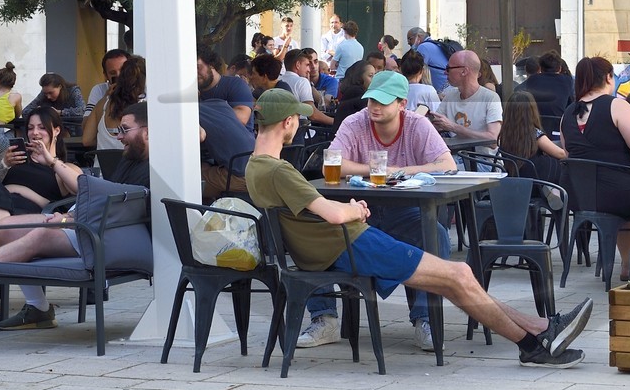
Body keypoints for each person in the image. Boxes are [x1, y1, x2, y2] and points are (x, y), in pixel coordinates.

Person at [245, 88, 593, 368]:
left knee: (457, 277)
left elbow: (315, 207)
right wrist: (352, 209)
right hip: (349, 247)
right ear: (289, 122)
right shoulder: (278, 170)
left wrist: (346, 208)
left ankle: (541, 331)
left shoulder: (256, 167)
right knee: (457, 275)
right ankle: (533, 342)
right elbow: (334, 216)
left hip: (335, 249)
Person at [0, 102, 151, 331]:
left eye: (124, 130)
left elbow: (105, 197)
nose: (119, 137)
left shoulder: (158, 167)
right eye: (30, 127)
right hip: (86, 223)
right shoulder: (130, 160)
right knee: (4, 227)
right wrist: (3, 163)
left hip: (104, 234)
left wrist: (66, 210)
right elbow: (106, 197)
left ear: (147, 132)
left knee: (34, 234)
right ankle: (37, 308)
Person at [300, 72, 460, 352]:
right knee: (311, 232)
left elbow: (447, 164)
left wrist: (399, 172)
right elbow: (331, 165)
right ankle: (323, 318)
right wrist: (376, 171)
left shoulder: (417, 125)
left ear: (402, 103)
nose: (374, 106)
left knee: (436, 235)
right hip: (360, 211)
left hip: (405, 211)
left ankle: (426, 319)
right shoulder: (355, 122)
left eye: (383, 101)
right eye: (372, 99)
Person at [0, 106, 82, 322]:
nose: (34, 133)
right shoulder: (16, 158)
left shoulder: (63, 166)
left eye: (42, 128)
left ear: (56, 131)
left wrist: (51, 162)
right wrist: (3, 163)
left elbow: (81, 189)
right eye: (31, 128)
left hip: (26, 216)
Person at [562, 56, 630, 275]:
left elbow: (568, 154)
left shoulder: (567, 114)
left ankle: (625, 264)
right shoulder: (618, 106)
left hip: (581, 197)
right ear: (609, 77)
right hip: (621, 193)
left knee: (628, 210)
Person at [434, 49, 503, 144]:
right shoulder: (450, 96)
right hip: (456, 155)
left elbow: (492, 139)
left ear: (464, 71)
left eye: (448, 68)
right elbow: (437, 125)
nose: (445, 72)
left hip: (481, 158)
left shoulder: (490, 98)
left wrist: (453, 127)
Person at [499, 89, 566, 182]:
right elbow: (561, 154)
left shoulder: (505, 133)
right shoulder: (533, 133)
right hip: (535, 179)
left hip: (516, 177)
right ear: (531, 111)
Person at [198, 97, 254, 201]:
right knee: (205, 166)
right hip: (256, 164)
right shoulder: (219, 103)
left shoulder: (190, 116)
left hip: (241, 177)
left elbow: (201, 136)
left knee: (192, 180)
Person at [82, 48, 129, 150]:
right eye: (113, 73)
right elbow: (86, 131)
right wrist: (106, 99)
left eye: (123, 71)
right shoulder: (99, 90)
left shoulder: (144, 94)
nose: (119, 76)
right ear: (105, 75)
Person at [197, 48, 254, 128]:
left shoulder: (235, 85)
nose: (195, 73)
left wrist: (197, 112)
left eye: (198, 67)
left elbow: (241, 118)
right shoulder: (195, 92)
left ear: (211, 64)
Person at [519, 51, 575, 126]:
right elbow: (571, 104)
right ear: (559, 68)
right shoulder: (567, 81)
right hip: (558, 126)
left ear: (541, 68)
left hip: (536, 126)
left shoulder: (532, 80)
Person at [21, 73, 87, 128]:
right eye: (45, 93)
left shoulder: (73, 91)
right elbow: (25, 112)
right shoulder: (43, 94)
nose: (48, 97)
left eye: (51, 93)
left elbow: (83, 110)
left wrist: (60, 112)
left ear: (60, 87)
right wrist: (39, 111)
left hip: (73, 129)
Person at [398, 49, 442, 115]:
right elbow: (438, 115)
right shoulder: (429, 90)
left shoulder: (396, 90)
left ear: (401, 70)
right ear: (421, 71)